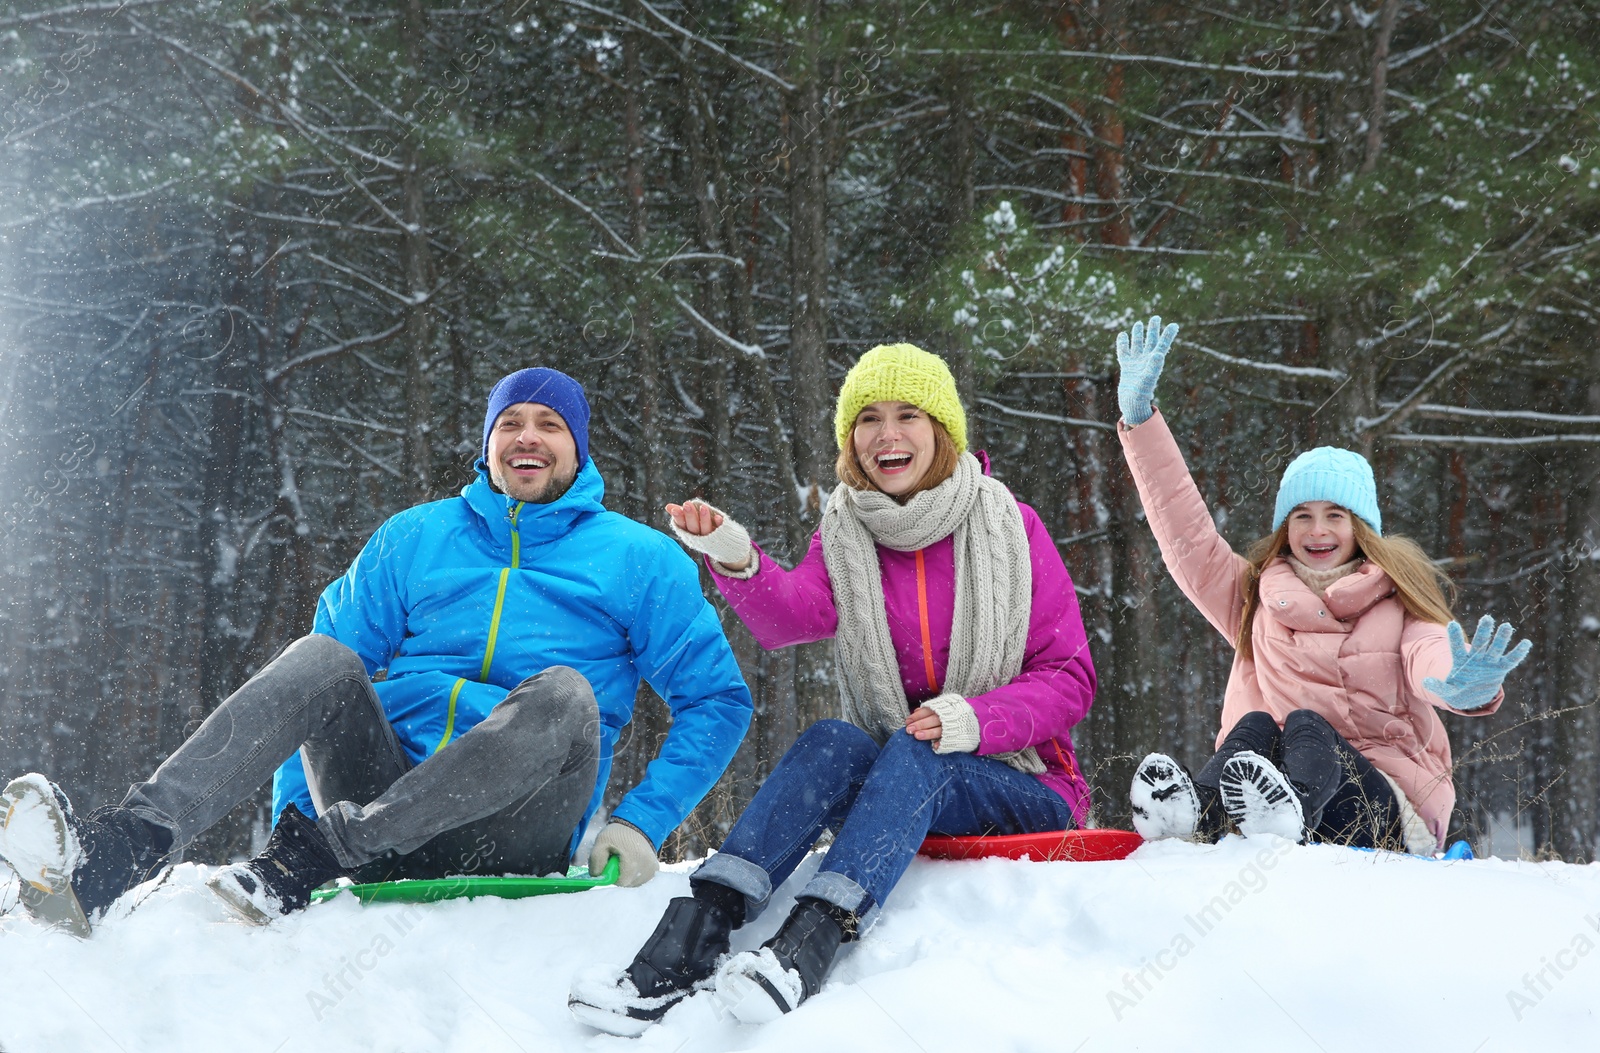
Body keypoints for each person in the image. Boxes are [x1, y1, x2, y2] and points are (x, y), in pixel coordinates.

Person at [0, 367, 753, 935]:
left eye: (550, 423)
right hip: (371, 795)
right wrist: (295, 815)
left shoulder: (639, 558)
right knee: (325, 652)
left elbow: (718, 699)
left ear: (577, 448)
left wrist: (643, 820)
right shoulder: (415, 537)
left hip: (515, 821)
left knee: (565, 693)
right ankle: (117, 851)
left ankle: (322, 848)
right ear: (488, 443)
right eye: (511, 422)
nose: (528, 436)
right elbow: (310, 688)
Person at [569, 343, 1097, 1034]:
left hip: (1023, 786)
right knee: (831, 741)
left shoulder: (1013, 528)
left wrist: (972, 719)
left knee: (918, 751)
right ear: (851, 439)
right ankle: (684, 946)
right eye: (869, 418)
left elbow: (1069, 679)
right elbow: (792, 619)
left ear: (942, 430)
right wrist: (737, 555)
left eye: (908, 414)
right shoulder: (848, 531)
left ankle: (805, 949)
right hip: (901, 780)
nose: (888, 434)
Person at [1112, 317, 1532, 853]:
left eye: (1335, 515)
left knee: (1308, 724)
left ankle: (1282, 810)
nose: (1317, 530)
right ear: (1285, 526)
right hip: (1270, 798)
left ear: (1361, 527)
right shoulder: (1253, 598)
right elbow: (1185, 533)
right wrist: (1140, 420)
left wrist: (1461, 682)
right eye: (1302, 515)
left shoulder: (1401, 604)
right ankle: (1197, 813)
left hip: (1385, 809)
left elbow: (1430, 652)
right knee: (1258, 725)